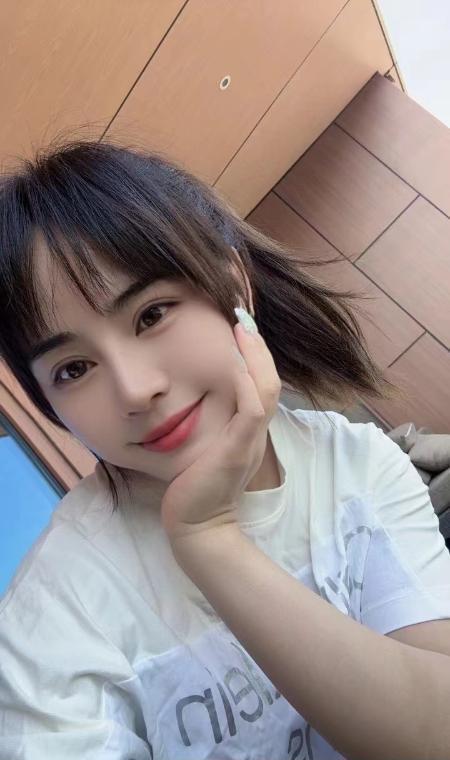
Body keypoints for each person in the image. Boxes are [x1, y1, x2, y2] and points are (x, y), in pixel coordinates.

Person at [0, 140, 450, 760]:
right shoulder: (54, 618)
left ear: (233, 287)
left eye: (151, 314)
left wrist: (209, 538)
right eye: (73, 369)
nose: (135, 389)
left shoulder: (358, 465)